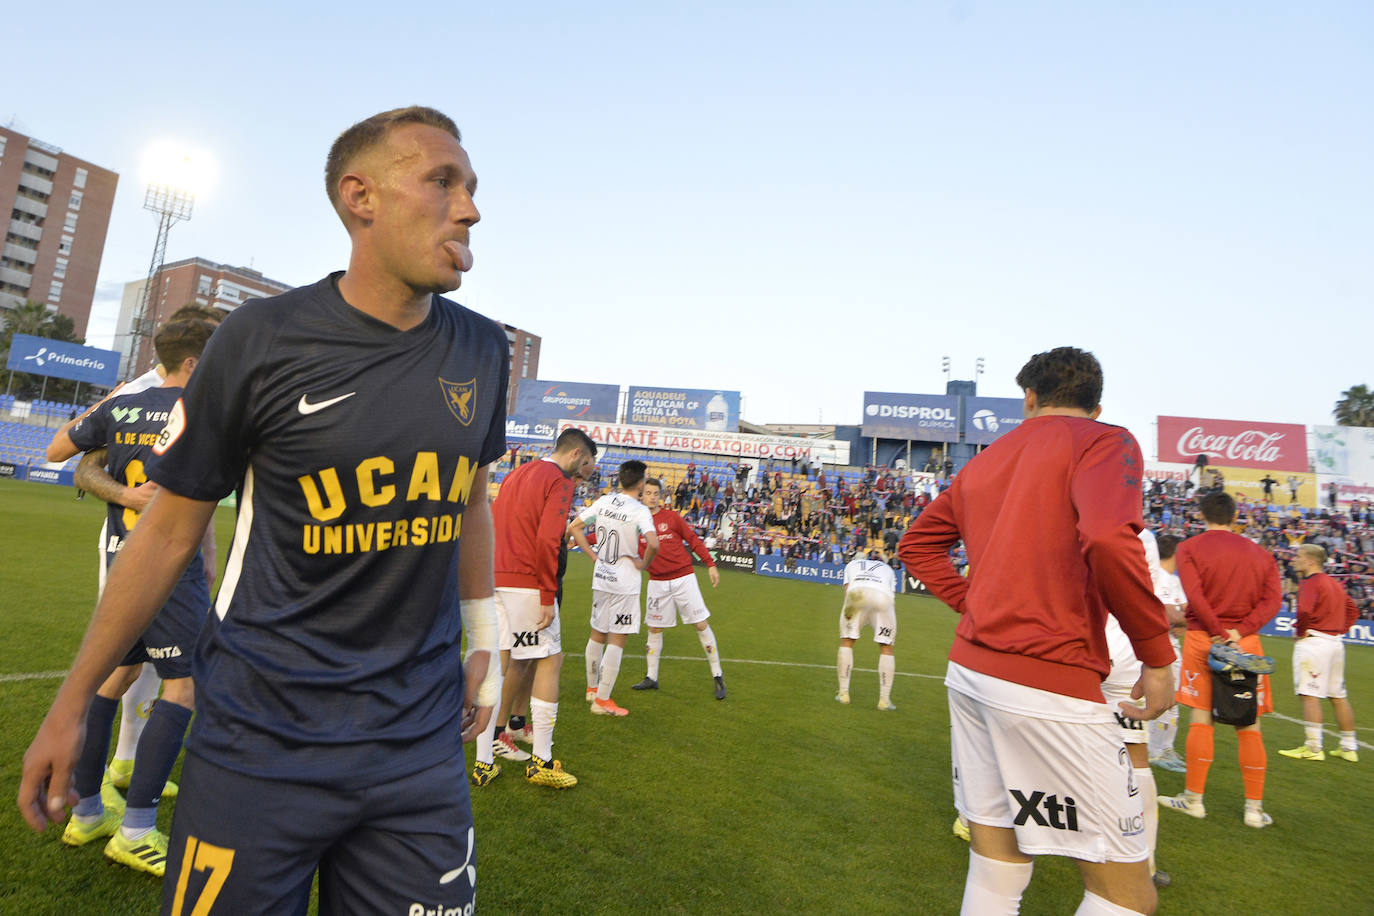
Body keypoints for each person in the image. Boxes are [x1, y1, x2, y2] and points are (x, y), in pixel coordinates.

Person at [20, 106, 504, 915]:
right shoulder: (262, 338)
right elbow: (171, 529)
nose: (470, 208)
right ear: (361, 197)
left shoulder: (481, 348)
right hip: (260, 738)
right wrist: (71, 701)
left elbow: (471, 498)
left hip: (418, 744)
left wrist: (483, 635)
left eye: (472, 188)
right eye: (442, 181)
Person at [899, 346, 1174, 916]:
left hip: (971, 672)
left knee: (996, 866)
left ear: (1029, 397)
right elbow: (1104, 535)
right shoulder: (1106, 439)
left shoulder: (987, 458)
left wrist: (972, 602)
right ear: (1096, 405)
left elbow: (916, 545)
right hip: (1052, 679)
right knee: (1127, 893)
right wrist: (1155, 651)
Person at [43, 318, 215, 875]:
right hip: (169, 564)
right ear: (192, 363)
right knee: (183, 687)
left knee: (116, 678)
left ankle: (88, 810)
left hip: (122, 558)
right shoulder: (200, 407)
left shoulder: (123, 404)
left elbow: (57, 450)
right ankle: (137, 829)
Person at [473, 427, 599, 789]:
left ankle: (483, 762)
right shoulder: (558, 481)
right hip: (525, 583)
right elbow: (547, 539)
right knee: (550, 660)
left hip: (494, 578)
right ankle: (542, 760)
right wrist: (547, 594)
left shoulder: (516, 473)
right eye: (589, 461)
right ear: (576, 454)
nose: (589, 470)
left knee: (499, 667)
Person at [1159, 490, 1280, 830]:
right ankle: (1254, 811)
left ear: (1202, 514)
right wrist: (1240, 632)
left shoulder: (1190, 548)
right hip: (1247, 643)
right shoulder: (1261, 554)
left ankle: (1194, 801)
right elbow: (1273, 601)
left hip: (1203, 639)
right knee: (1249, 722)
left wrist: (1218, 631)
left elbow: (1194, 595)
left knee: (1201, 717)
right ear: (1235, 515)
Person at [569, 460, 659, 717]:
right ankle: (602, 700)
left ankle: (591, 688)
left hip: (602, 576)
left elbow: (574, 526)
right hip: (625, 581)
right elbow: (653, 543)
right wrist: (643, 564)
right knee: (617, 639)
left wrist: (591, 554)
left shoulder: (604, 501)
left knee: (597, 632)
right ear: (641, 484)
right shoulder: (639, 510)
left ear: (619, 480)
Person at [630, 477, 726, 699]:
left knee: (700, 624)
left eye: (656, 493)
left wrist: (710, 564)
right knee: (654, 629)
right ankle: (651, 677)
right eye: (648, 493)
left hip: (684, 578)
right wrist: (577, 539)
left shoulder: (671, 517)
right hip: (657, 582)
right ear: (641, 495)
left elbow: (693, 539)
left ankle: (717, 675)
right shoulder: (635, 523)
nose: (653, 497)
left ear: (661, 496)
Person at [1279, 544, 1360, 762]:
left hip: (1315, 643)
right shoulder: (1333, 583)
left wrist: (1300, 631)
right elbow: (1353, 610)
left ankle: (1313, 748)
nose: (1294, 559)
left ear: (1310, 561)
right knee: (1338, 696)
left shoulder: (1310, 582)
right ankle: (1349, 747)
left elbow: (1304, 610)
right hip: (1334, 644)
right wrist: (1339, 629)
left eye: (1298, 556)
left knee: (1309, 695)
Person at [1146, 534, 1188, 773]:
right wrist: (1181, 618)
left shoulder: (1174, 580)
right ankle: (1155, 750)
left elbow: (1182, 616)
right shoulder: (1160, 577)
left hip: (1172, 644)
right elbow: (1172, 614)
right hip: (1161, 645)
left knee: (1172, 699)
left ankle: (1165, 747)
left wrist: (1182, 619)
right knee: (1162, 698)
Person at [835, 551, 898, 710]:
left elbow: (847, 590)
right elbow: (891, 596)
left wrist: (849, 614)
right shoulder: (888, 569)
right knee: (886, 647)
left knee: (847, 641)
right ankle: (884, 700)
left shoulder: (851, 565)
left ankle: (843, 693)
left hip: (857, 594)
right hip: (883, 597)